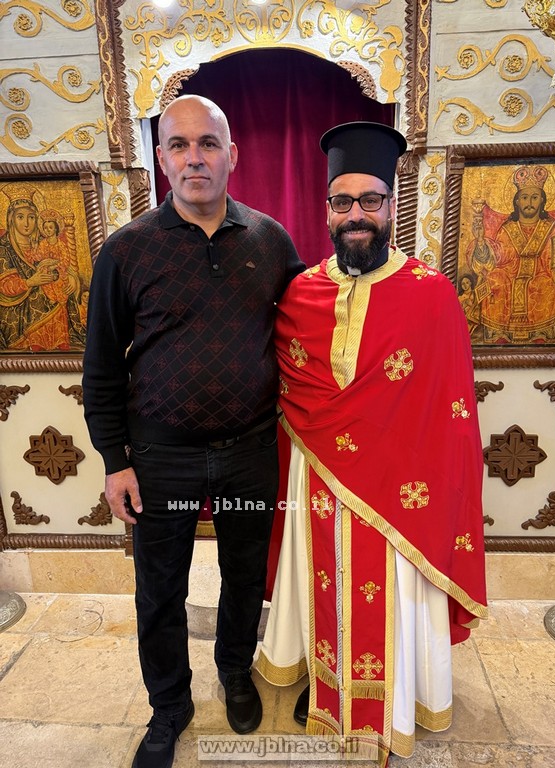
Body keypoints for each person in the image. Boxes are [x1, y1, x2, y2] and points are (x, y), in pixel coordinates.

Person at [254, 122, 488, 767]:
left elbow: (453, 414)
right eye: (342, 201)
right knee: (322, 579)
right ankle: (325, 682)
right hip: (317, 481)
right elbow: (284, 391)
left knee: (394, 596)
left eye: (370, 200)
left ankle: (398, 695)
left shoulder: (432, 294)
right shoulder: (299, 292)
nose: (355, 214)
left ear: (391, 205)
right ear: (326, 209)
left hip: (402, 494)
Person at [82, 94, 304, 768]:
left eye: (207, 143)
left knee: (244, 576)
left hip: (249, 452)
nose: (194, 158)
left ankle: (234, 673)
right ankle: (169, 706)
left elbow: (309, 336)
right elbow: (101, 368)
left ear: (232, 154)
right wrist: (115, 460)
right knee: (160, 591)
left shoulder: (271, 241)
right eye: (178, 145)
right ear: (162, 159)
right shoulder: (126, 250)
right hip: (160, 458)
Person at [468, 165, 555, 343]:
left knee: (546, 284)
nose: (529, 202)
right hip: (510, 274)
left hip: (541, 274)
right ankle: (496, 331)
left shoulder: (553, 228)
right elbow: (499, 256)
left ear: (542, 201)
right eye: (524, 197)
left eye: (535, 197)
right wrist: (481, 241)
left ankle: (543, 330)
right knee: (495, 279)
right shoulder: (508, 229)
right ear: (517, 201)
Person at [0, 187, 84, 351]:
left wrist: (72, 280)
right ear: (11, 219)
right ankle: (36, 341)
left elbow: (64, 264)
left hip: (52, 290)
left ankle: (59, 340)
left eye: (31, 217)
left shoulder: (44, 241)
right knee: (42, 294)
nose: (26, 223)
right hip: (17, 309)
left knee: (60, 292)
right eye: (20, 217)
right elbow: (3, 285)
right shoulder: (4, 247)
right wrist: (30, 282)